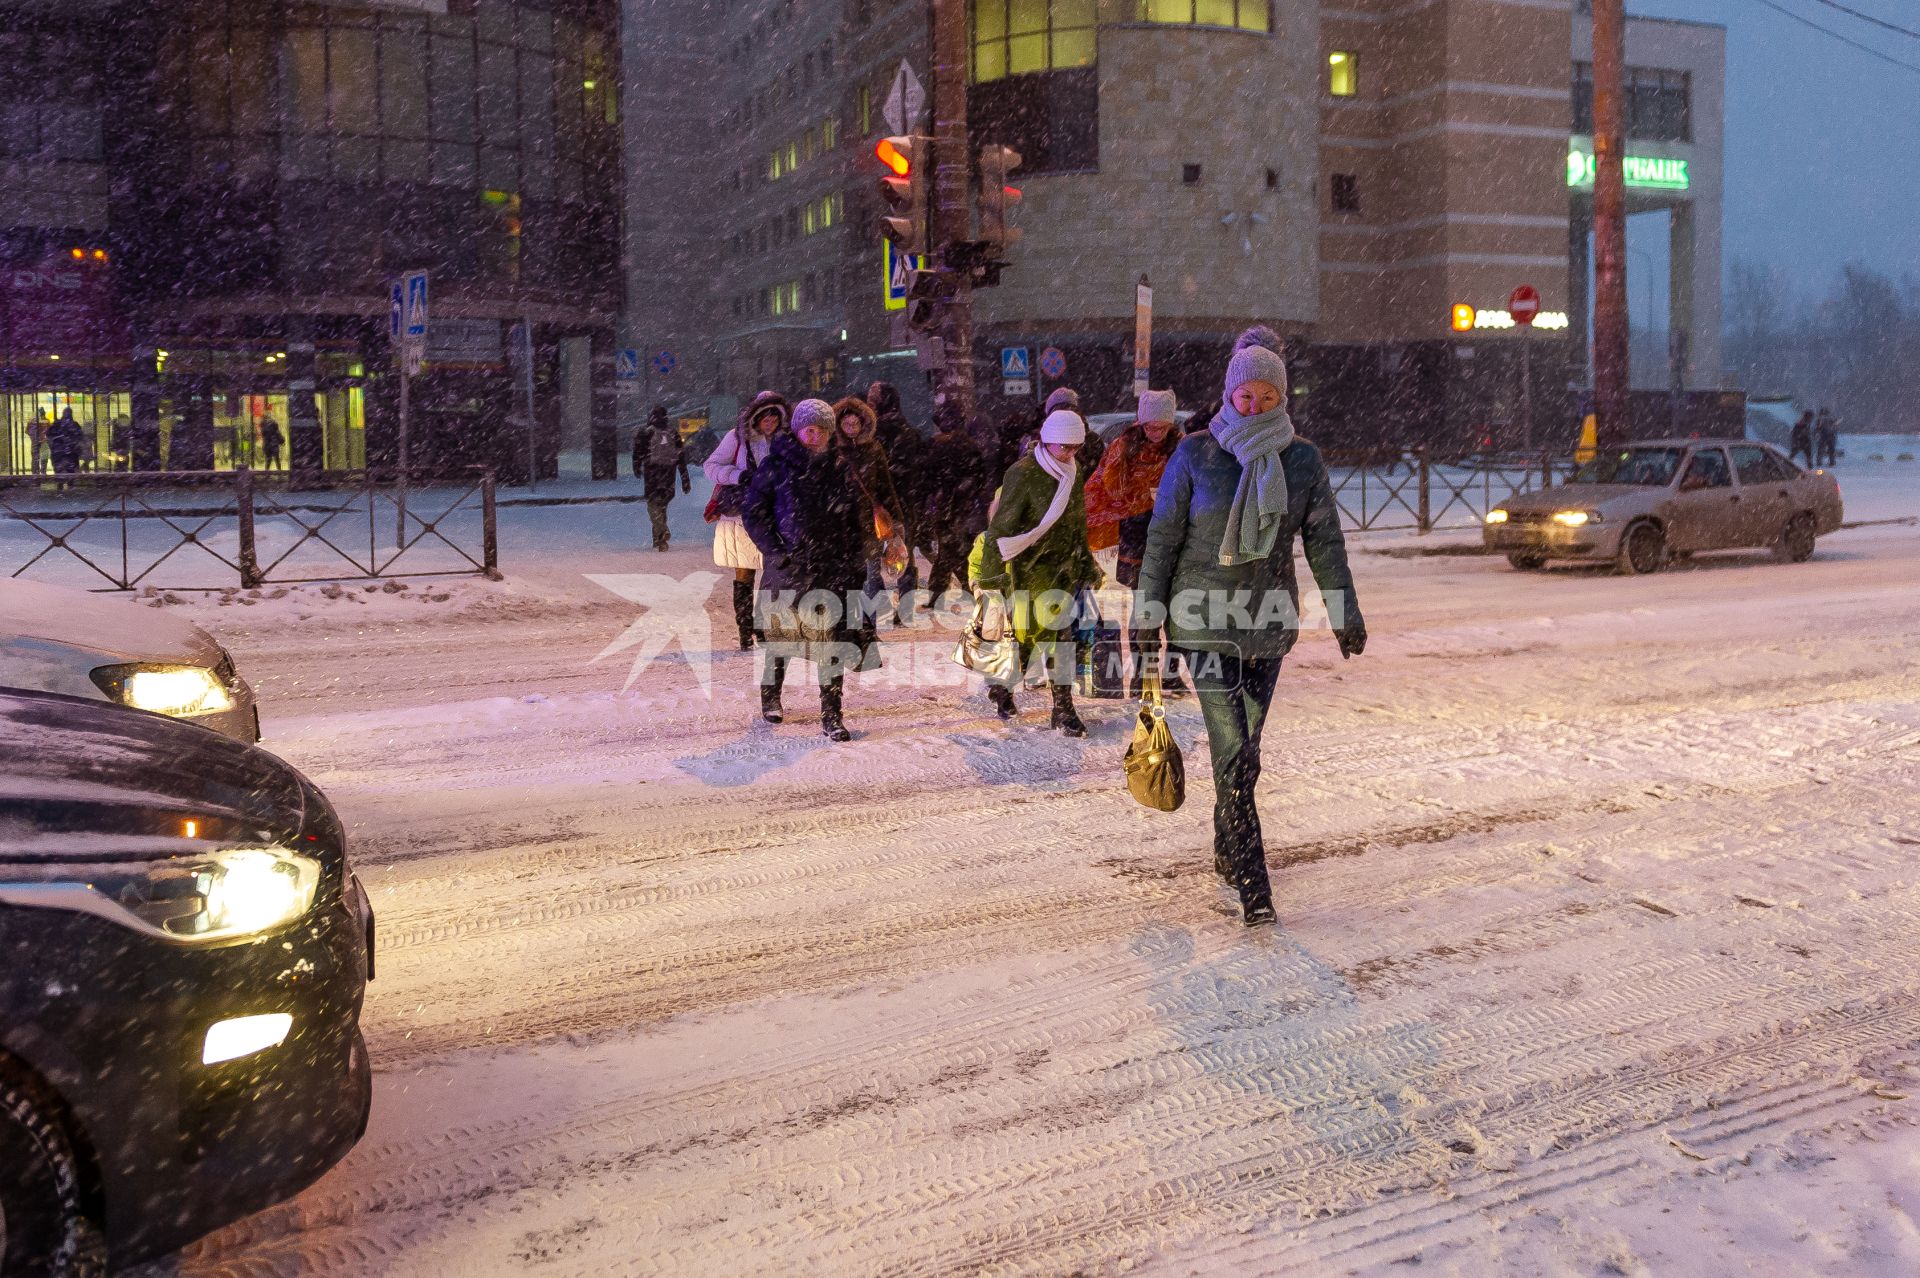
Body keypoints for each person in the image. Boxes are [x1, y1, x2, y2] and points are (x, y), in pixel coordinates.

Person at [1136, 327, 1365, 927]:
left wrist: (1344, 611)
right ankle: (1253, 884)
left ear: (1282, 399)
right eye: (1247, 396)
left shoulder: (1302, 459)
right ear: (1229, 394)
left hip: (1267, 625)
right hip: (1201, 622)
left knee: (1247, 752)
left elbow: (1324, 541)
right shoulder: (1194, 454)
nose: (1256, 405)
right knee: (1232, 748)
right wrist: (1146, 618)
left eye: (1269, 396)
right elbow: (1162, 541)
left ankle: (1224, 840)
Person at [741, 398, 876, 741]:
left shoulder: (840, 467)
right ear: (799, 429)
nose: (814, 435)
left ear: (831, 433)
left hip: (830, 567)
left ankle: (832, 714)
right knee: (781, 639)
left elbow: (854, 518)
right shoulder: (775, 465)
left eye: (822, 430)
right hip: (788, 567)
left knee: (830, 642)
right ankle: (771, 696)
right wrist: (777, 552)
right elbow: (754, 514)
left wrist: (854, 562)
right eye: (809, 428)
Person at [971, 408, 1100, 736]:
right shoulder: (1024, 473)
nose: (1069, 453)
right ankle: (1061, 708)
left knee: (1045, 639)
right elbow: (1000, 529)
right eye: (1063, 447)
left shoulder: (1074, 470)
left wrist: (1085, 562)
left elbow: (1076, 521)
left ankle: (1017, 691)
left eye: (1075, 448)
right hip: (1031, 570)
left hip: (1064, 569)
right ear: (1046, 440)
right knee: (1051, 638)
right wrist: (989, 579)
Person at [1086, 388, 1184, 699]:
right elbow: (1108, 488)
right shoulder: (1122, 447)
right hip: (1135, 538)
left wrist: (1169, 499)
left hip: (1173, 536)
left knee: (1176, 613)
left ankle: (1167, 676)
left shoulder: (1182, 448)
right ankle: (1141, 682)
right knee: (1144, 612)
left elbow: (1192, 485)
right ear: (1141, 423)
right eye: (1150, 426)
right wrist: (1145, 496)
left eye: (1162, 426)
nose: (1156, 433)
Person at [705, 391, 787, 649]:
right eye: (765, 416)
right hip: (743, 514)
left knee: (772, 572)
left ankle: (763, 626)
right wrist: (738, 476)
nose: (770, 422)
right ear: (756, 416)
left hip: (775, 513)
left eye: (775, 416)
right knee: (744, 571)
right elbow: (711, 466)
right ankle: (745, 628)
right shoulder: (736, 438)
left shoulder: (786, 441)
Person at [830, 394, 907, 609]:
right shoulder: (833, 451)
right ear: (838, 425)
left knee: (871, 575)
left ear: (863, 423)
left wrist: (896, 517)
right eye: (846, 424)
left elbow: (885, 484)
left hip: (868, 521)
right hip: (842, 522)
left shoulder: (873, 449)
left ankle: (869, 626)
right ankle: (858, 623)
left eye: (855, 423)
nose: (851, 428)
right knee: (852, 577)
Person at [865, 382, 925, 625]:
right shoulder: (909, 431)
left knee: (872, 557)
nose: (869, 403)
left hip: (882, 504)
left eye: (873, 399)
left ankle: (877, 610)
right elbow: (917, 472)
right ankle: (906, 610)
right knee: (903, 554)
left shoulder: (875, 434)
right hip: (904, 503)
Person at [920, 404, 987, 598]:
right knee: (952, 547)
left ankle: (961, 588)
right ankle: (946, 589)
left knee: (951, 548)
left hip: (943, 505)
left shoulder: (935, 444)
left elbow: (926, 478)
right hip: (964, 505)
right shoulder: (969, 444)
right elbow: (979, 476)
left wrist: (931, 497)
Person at [634, 405, 691, 551]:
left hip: (652, 473)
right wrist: (685, 479)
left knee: (653, 505)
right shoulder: (673, 433)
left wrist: (637, 467)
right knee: (662, 506)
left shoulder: (646, 432)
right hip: (669, 474)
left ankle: (662, 530)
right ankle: (659, 542)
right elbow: (681, 457)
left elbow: (637, 452)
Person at [46, 409, 85, 475]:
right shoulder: (73, 424)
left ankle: (61, 483)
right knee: (70, 473)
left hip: (59, 453)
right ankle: (69, 484)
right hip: (70, 453)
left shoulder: (57, 424)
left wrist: (54, 446)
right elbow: (79, 437)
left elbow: (50, 436)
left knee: (60, 472)